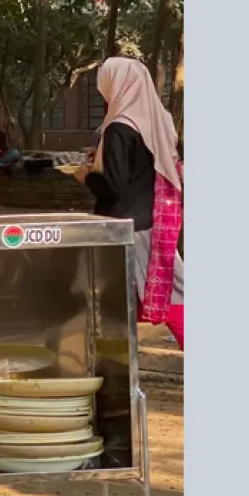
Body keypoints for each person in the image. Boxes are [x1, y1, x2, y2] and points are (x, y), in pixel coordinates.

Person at [75, 57, 184, 348]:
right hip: (154, 219)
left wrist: (84, 176)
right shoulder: (157, 119)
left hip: (128, 227)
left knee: (175, 300)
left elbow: (113, 187)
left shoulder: (118, 128)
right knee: (136, 297)